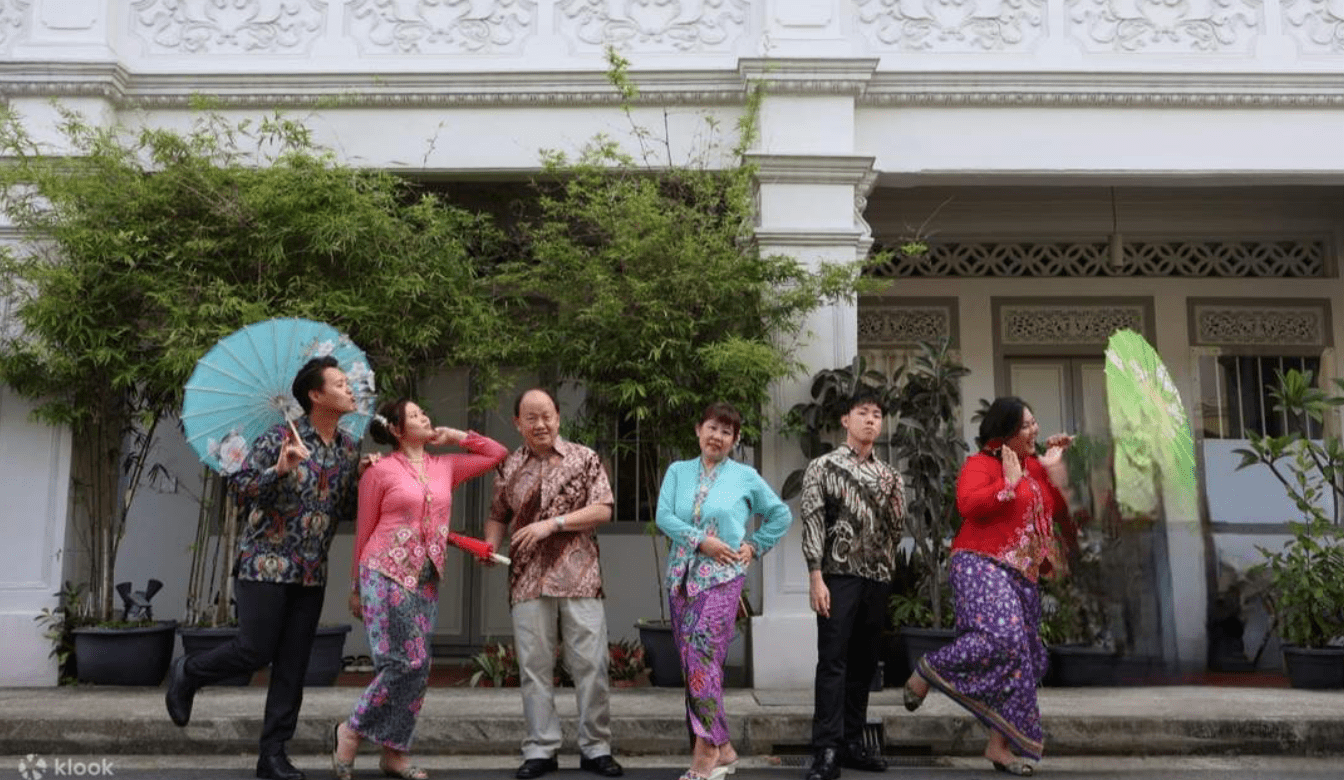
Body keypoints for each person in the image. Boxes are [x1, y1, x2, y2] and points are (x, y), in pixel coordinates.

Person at [166, 355, 367, 780]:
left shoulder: (350, 448)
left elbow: (344, 508)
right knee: (255, 650)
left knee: (293, 664)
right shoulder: (279, 437)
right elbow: (241, 489)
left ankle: (272, 754)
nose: (350, 390)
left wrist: (366, 480)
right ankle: (190, 671)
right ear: (315, 395)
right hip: (265, 564)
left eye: (348, 384)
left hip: (311, 571)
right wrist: (279, 469)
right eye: (340, 384)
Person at [331, 398, 509, 780]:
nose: (425, 417)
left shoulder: (444, 466)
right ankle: (351, 730)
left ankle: (395, 753)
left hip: (426, 577)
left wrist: (456, 436)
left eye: (424, 412)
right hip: (384, 572)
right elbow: (364, 529)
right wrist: (355, 588)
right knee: (401, 663)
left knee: (419, 667)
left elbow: (497, 453)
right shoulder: (379, 472)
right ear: (396, 430)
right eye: (414, 416)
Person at [902, 396, 1073, 778]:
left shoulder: (1036, 468)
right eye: (1028, 425)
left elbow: (1055, 510)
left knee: (1027, 659)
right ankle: (929, 670)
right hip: (980, 562)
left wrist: (1056, 465)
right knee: (1004, 638)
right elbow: (967, 504)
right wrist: (1008, 486)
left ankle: (999, 746)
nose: (1036, 430)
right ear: (1007, 432)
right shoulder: (980, 464)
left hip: (1022, 576)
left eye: (1035, 423)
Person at [484, 388, 624, 780]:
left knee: (591, 665)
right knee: (534, 668)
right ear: (518, 423)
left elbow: (603, 508)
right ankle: (540, 749)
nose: (540, 424)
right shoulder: (508, 466)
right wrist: (489, 546)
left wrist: (554, 523)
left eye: (546, 415)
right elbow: (498, 514)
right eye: (531, 417)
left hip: (579, 576)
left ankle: (596, 748)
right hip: (527, 579)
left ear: (558, 418)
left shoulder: (585, 458)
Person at [655, 402, 794, 780]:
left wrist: (755, 545)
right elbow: (663, 516)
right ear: (698, 430)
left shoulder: (745, 476)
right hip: (682, 578)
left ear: (735, 440)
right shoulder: (678, 472)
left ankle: (707, 750)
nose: (717, 436)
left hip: (724, 577)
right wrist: (701, 541)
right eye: (712, 428)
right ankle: (725, 746)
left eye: (727, 432)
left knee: (701, 651)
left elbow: (781, 514)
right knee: (694, 665)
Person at [800, 391, 906, 780]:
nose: (871, 421)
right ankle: (826, 748)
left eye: (877, 415)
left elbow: (896, 529)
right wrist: (816, 575)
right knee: (833, 661)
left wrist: (885, 569)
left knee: (864, 664)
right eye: (863, 413)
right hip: (837, 575)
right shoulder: (822, 467)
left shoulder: (890, 476)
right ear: (845, 420)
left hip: (876, 577)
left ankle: (851, 742)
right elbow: (813, 521)